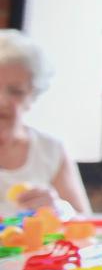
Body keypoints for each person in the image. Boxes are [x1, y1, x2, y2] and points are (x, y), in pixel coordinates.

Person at [0, 30, 91, 216]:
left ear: (32, 96)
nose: (2, 101)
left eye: (16, 91)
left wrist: (57, 209)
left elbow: (86, 224)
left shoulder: (50, 149)